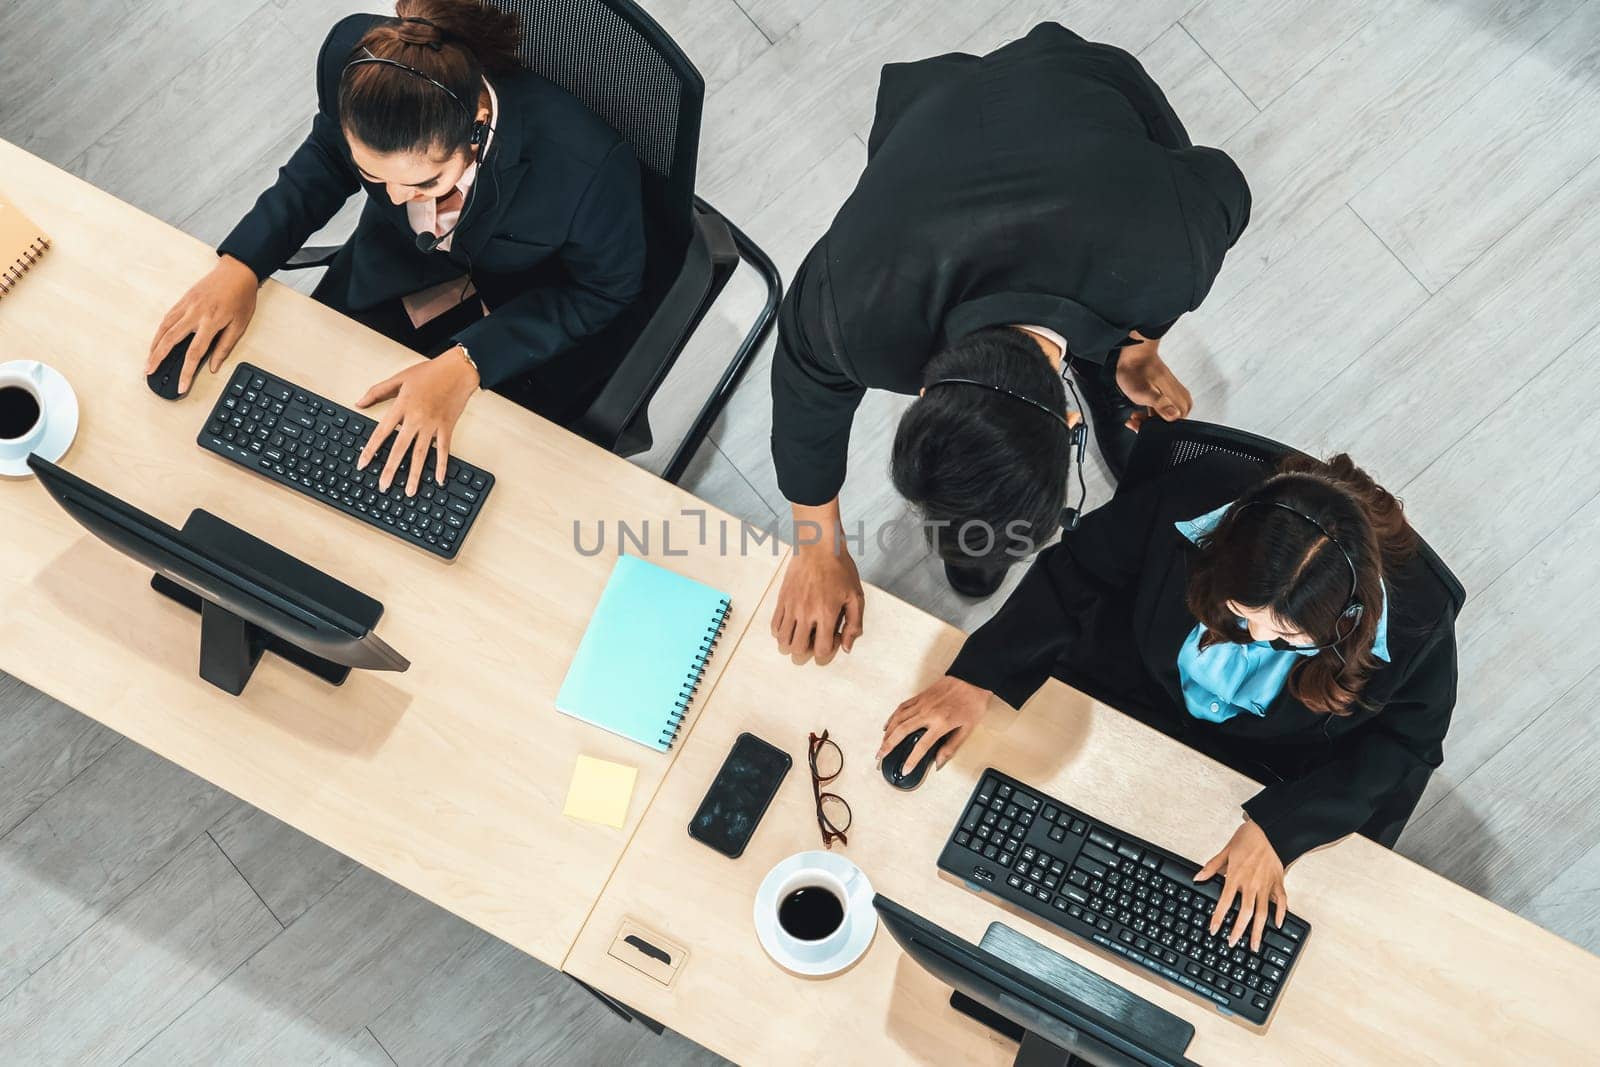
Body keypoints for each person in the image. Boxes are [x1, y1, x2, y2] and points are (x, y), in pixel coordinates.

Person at [769, 22, 1251, 664]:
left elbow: (1223, 184)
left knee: (1120, 310)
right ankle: (976, 540)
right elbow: (804, 384)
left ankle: (1106, 362)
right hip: (950, 123)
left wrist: (1138, 348)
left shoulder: (1168, 251)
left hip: (1084, 92)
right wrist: (817, 546)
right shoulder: (854, 300)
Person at [880, 448, 1459, 952]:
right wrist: (982, 674)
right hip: (1131, 697)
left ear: (1349, 618)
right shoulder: (1196, 497)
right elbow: (1077, 568)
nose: (1258, 642)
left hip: (1263, 772)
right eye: (1241, 615)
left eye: (1286, 638)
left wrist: (1284, 828)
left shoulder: (1417, 621)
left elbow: (1408, 743)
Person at [146, 0, 645, 496]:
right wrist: (243, 264)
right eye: (375, 175)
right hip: (386, 274)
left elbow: (604, 290)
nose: (397, 196)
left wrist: (469, 360)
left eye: (426, 181)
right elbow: (326, 155)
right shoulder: (354, 64)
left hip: (518, 320)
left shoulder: (588, 171)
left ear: (478, 120)